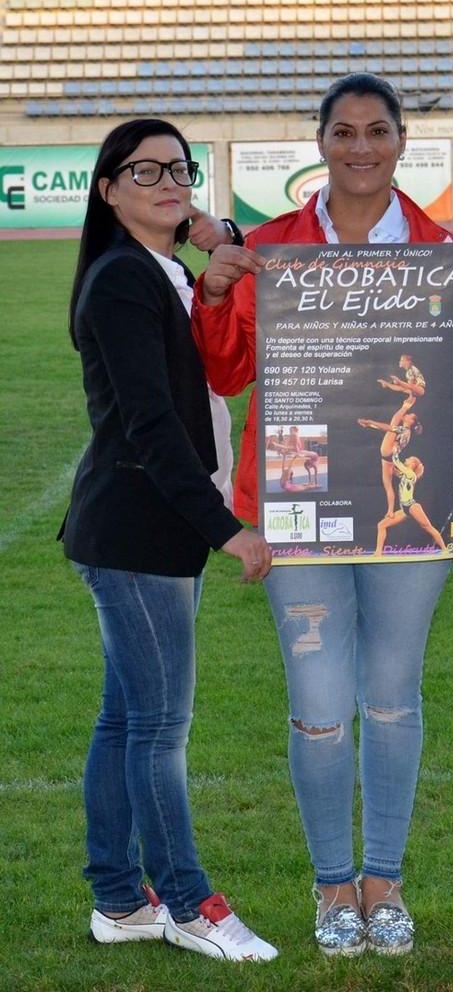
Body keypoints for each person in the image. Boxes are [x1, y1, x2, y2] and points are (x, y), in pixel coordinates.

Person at [190, 73, 453, 957]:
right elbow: (223, 375)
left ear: (402, 141)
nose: (361, 148)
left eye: (377, 131)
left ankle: (385, 880)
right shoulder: (271, 249)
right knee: (321, 703)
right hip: (299, 512)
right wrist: (215, 295)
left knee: (393, 700)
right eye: (343, 132)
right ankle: (333, 883)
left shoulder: (442, 250)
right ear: (321, 143)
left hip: (407, 514)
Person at [60, 118, 277, 962]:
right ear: (108, 190)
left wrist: (218, 235)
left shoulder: (162, 271)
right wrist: (228, 531)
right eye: (142, 171)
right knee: (156, 729)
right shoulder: (122, 280)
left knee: (124, 722)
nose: (166, 181)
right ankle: (188, 904)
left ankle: (118, 901)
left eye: (178, 170)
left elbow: (256, 276)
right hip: (138, 535)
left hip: (142, 536)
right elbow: (151, 427)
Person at [357, 395, 423, 517]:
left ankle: (406, 405)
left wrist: (370, 422)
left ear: (411, 422)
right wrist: (370, 424)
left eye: (409, 415)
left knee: (393, 422)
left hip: (388, 453)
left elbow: (387, 427)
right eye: (408, 414)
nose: (407, 416)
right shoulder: (405, 431)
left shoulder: (405, 430)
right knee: (387, 485)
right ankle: (390, 511)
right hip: (388, 458)